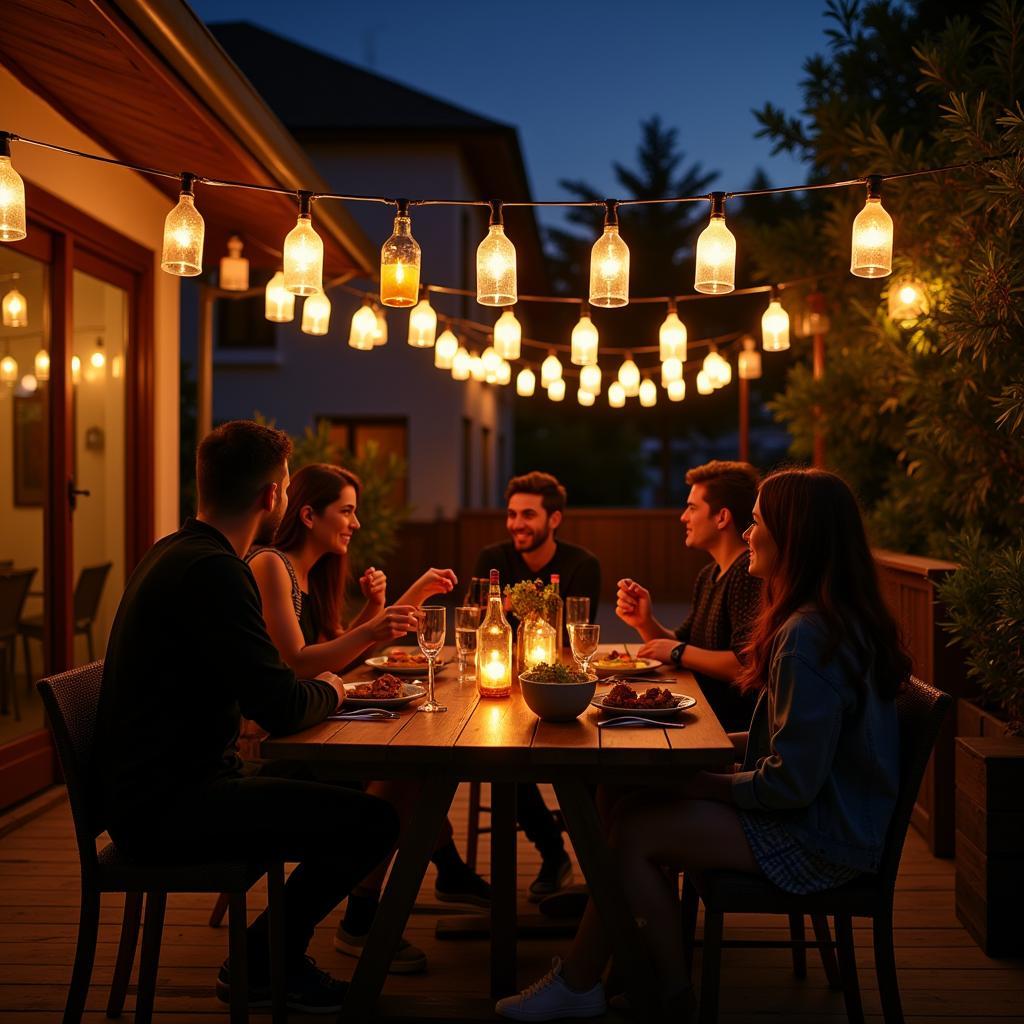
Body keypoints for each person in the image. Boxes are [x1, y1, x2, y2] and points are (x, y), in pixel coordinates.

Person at [496, 468, 909, 1021]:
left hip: (823, 839)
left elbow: (790, 784)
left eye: (757, 523)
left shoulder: (807, 637)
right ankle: (614, 972)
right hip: (833, 817)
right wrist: (710, 754)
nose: (746, 535)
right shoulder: (826, 620)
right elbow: (788, 744)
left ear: (794, 536)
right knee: (625, 801)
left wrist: (703, 780)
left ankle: (654, 996)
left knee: (634, 829)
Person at [95, 420, 399, 1013]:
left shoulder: (177, 551)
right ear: (272, 497)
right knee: (374, 822)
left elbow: (270, 692)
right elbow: (282, 706)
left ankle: (268, 957)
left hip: (159, 789)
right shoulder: (215, 572)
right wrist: (335, 690)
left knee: (341, 780)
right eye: (283, 486)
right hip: (168, 810)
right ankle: (262, 961)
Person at [247, 462, 491, 974]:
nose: (355, 522)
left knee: (414, 766)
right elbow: (297, 664)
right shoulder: (272, 565)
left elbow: (333, 657)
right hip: (271, 749)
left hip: (307, 729)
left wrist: (388, 605)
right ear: (308, 514)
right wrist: (381, 620)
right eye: (348, 510)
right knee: (406, 772)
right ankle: (368, 914)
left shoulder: (307, 575)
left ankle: (385, 905)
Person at [473, 471, 601, 901]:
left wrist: (517, 608)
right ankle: (553, 852)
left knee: (589, 754)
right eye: (511, 514)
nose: (516, 524)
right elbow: (477, 628)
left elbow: (570, 642)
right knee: (500, 757)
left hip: (559, 686)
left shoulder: (581, 564)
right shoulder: (492, 560)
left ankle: (604, 878)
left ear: (555, 519)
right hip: (499, 688)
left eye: (528, 514)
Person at [616, 460, 762, 731]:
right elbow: (682, 645)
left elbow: (746, 665)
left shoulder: (746, 574)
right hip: (697, 713)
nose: (684, 517)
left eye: (693, 507)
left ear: (722, 517)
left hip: (725, 726)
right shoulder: (709, 574)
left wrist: (678, 651)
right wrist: (644, 622)